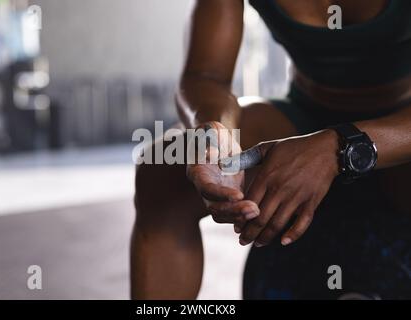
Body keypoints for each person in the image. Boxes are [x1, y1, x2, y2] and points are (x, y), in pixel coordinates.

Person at [131, 0, 411, 299]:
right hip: (306, 111)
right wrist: (213, 134)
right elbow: (206, 77)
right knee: (161, 166)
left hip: (400, 122)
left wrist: (339, 146)